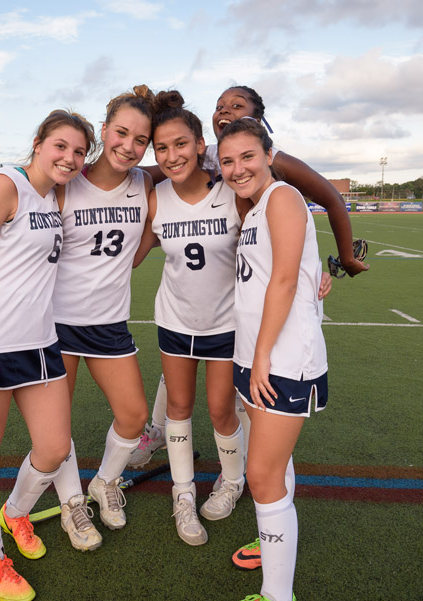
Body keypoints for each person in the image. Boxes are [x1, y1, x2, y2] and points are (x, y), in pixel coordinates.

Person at [130, 84, 362, 468]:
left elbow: (315, 208)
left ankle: (247, 474)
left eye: (238, 106)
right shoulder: (207, 162)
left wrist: (333, 263)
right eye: (220, 106)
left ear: (259, 123)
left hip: (235, 317)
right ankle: (167, 435)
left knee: (236, 404)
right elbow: (159, 177)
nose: (227, 111)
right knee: (180, 386)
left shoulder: (264, 167)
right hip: (189, 314)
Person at [0, 110, 98, 601]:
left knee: (54, 449)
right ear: (37, 143)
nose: (69, 158)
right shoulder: (4, 185)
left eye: (78, 152)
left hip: (39, 345)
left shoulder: (56, 194)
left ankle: (16, 513)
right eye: (60, 146)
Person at [217, 117, 329, 601]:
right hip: (257, 355)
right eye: (229, 160)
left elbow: (284, 280)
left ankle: (278, 599)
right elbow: (288, 273)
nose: (238, 168)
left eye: (248, 156)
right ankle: (272, 535)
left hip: (282, 360)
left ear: (268, 154)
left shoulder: (283, 196)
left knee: (262, 475)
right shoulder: (258, 205)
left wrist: (261, 358)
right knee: (272, 468)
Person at [132, 90, 248, 545]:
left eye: (181, 144)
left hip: (225, 323)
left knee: (221, 410)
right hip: (176, 321)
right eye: (162, 148)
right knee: (177, 409)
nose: (172, 155)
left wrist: (315, 273)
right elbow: (131, 256)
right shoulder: (156, 197)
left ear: (202, 144)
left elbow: (271, 243)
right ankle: (183, 496)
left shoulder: (231, 191)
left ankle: (232, 481)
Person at [49, 86, 156, 531]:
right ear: (106, 128)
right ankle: (74, 503)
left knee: (134, 417)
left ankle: (104, 481)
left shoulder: (146, 184)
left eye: (140, 140)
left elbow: (138, 250)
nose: (128, 147)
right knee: (55, 426)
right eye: (121, 133)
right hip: (55, 324)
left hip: (109, 323)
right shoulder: (65, 184)